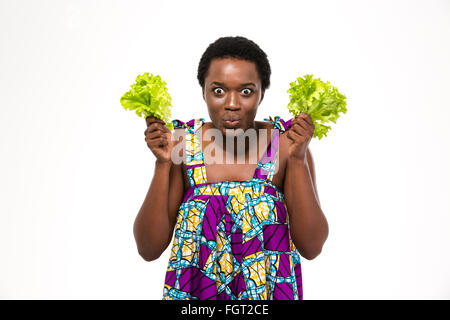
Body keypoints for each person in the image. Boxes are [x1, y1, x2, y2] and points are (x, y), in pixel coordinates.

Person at [133, 36, 328, 300]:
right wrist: (162, 163)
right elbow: (148, 248)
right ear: (203, 91)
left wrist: (298, 159)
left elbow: (312, 246)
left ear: (262, 92)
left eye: (246, 91)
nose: (232, 103)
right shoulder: (182, 145)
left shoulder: (286, 145)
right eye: (218, 90)